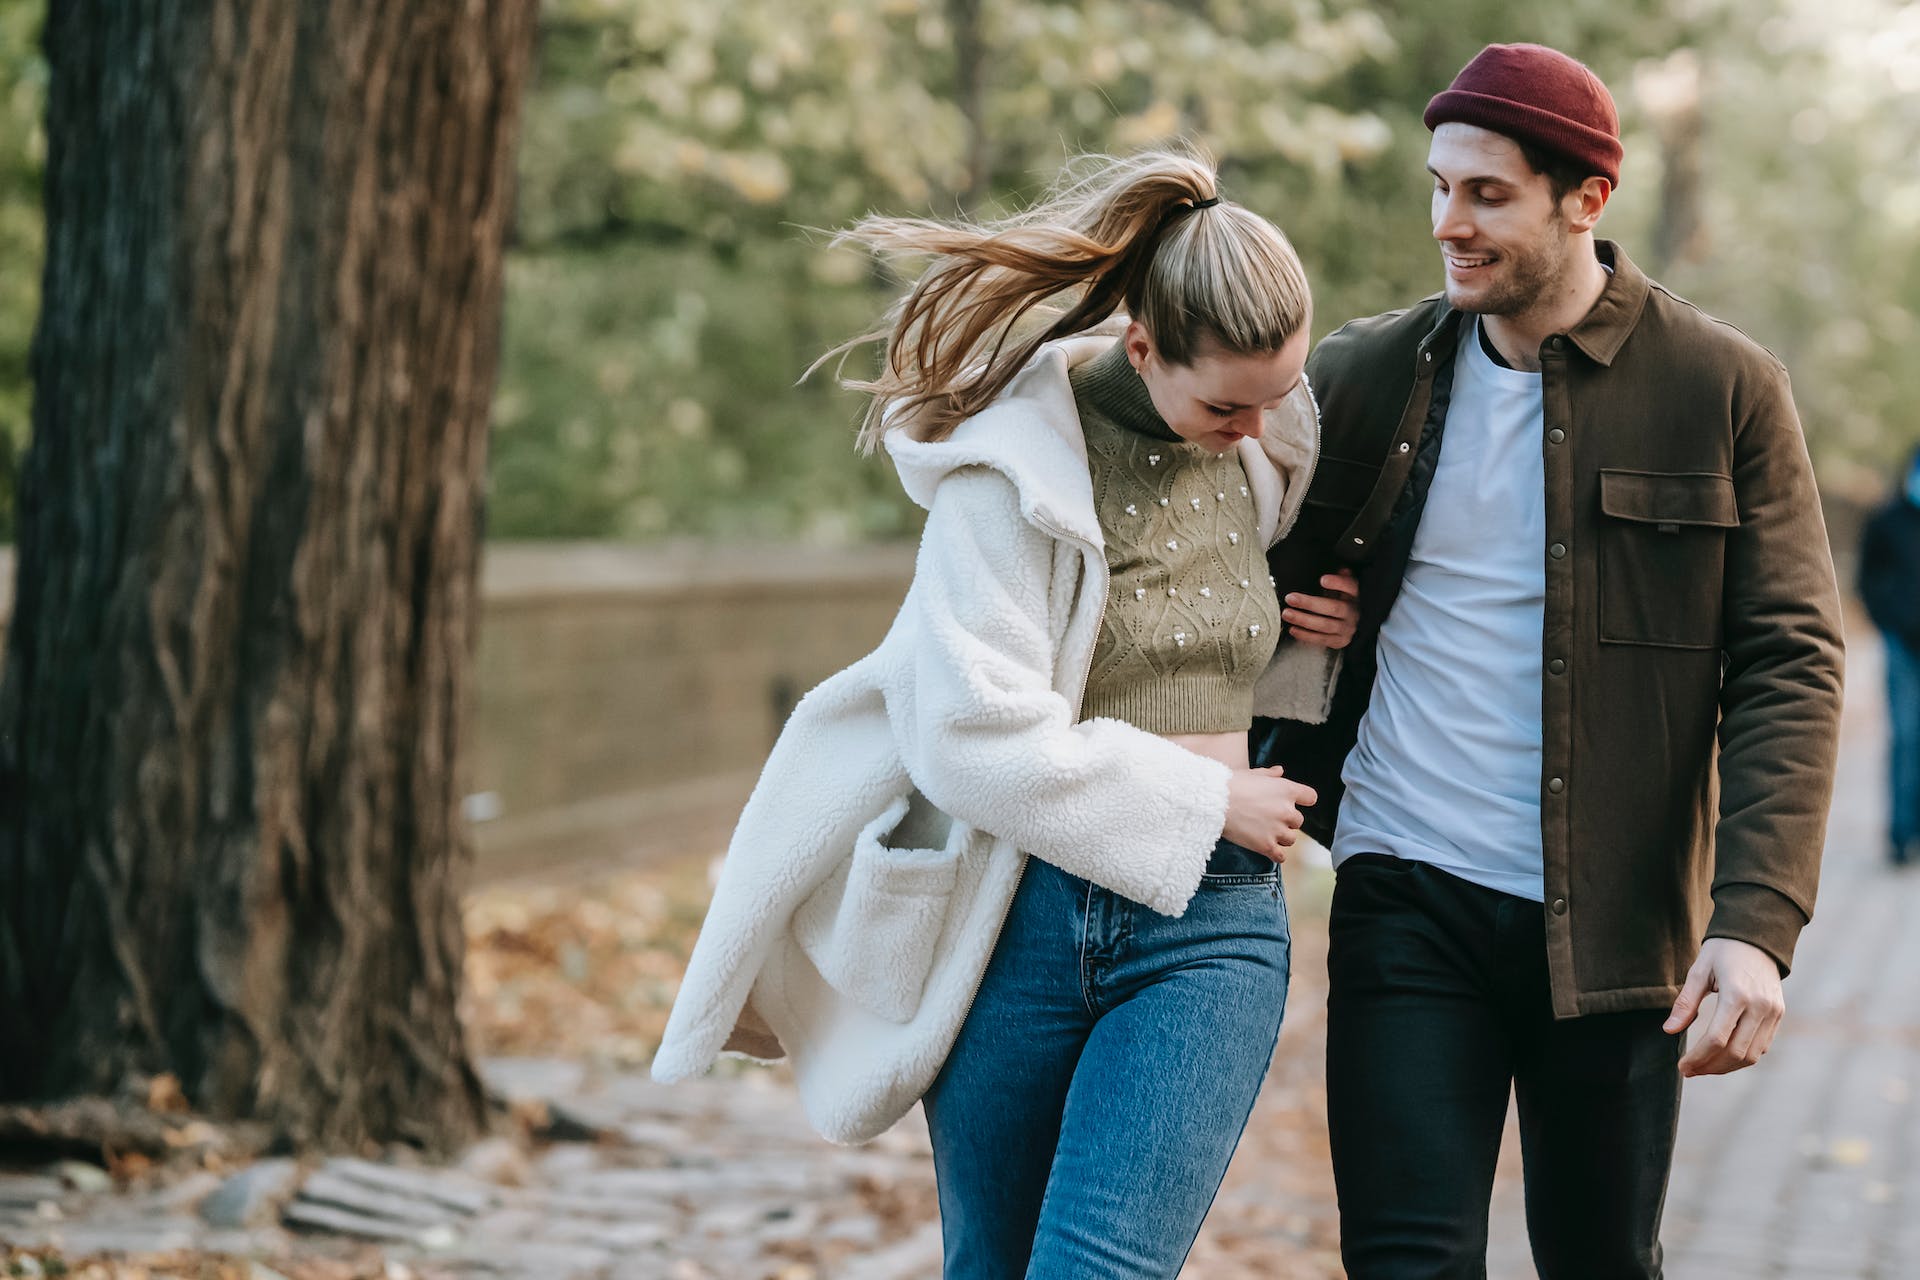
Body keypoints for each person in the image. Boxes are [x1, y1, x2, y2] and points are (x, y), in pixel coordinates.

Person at [653, 147, 1362, 1277]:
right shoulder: (1012, 473)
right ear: (1142, 346)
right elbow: (969, 735)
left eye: (1275, 396)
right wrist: (1201, 795)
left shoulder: (1261, 451)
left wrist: (1294, 639)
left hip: (1210, 922)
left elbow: (1161, 636)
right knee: (991, 1260)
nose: (1255, 426)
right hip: (1017, 915)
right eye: (1228, 403)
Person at [1250, 43, 1846, 1278]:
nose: (1447, 224)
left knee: (1600, 1260)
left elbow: (1791, 659)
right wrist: (1300, 636)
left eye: (1486, 195)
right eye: (1438, 188)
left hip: (1619, 929)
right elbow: (1221, 574)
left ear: (1587, 199)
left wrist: (1756, 921)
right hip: (1405, 886)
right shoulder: (1365, 376)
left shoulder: (1723, 389)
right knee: (1406, 1261)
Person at [1859, 446, 1920, 867]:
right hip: (1902, 643)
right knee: (1904, 735)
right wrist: (1889, 620)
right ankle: (1900, 833)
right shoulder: (1887, 520)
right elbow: (1866, 578)